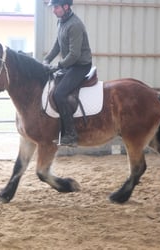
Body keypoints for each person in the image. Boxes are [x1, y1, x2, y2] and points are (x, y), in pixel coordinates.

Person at [43, 0, 92, 147]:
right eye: (53, 8)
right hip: (70, 65)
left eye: (56, 7)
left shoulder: (74, 25)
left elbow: (74, 55)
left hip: (80, 66)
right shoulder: (61, 22)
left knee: (59, 94)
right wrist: (46, 59)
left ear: (65, 7)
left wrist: (57, 66)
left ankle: (71, 134)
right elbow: (57, 45)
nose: (53, 11)